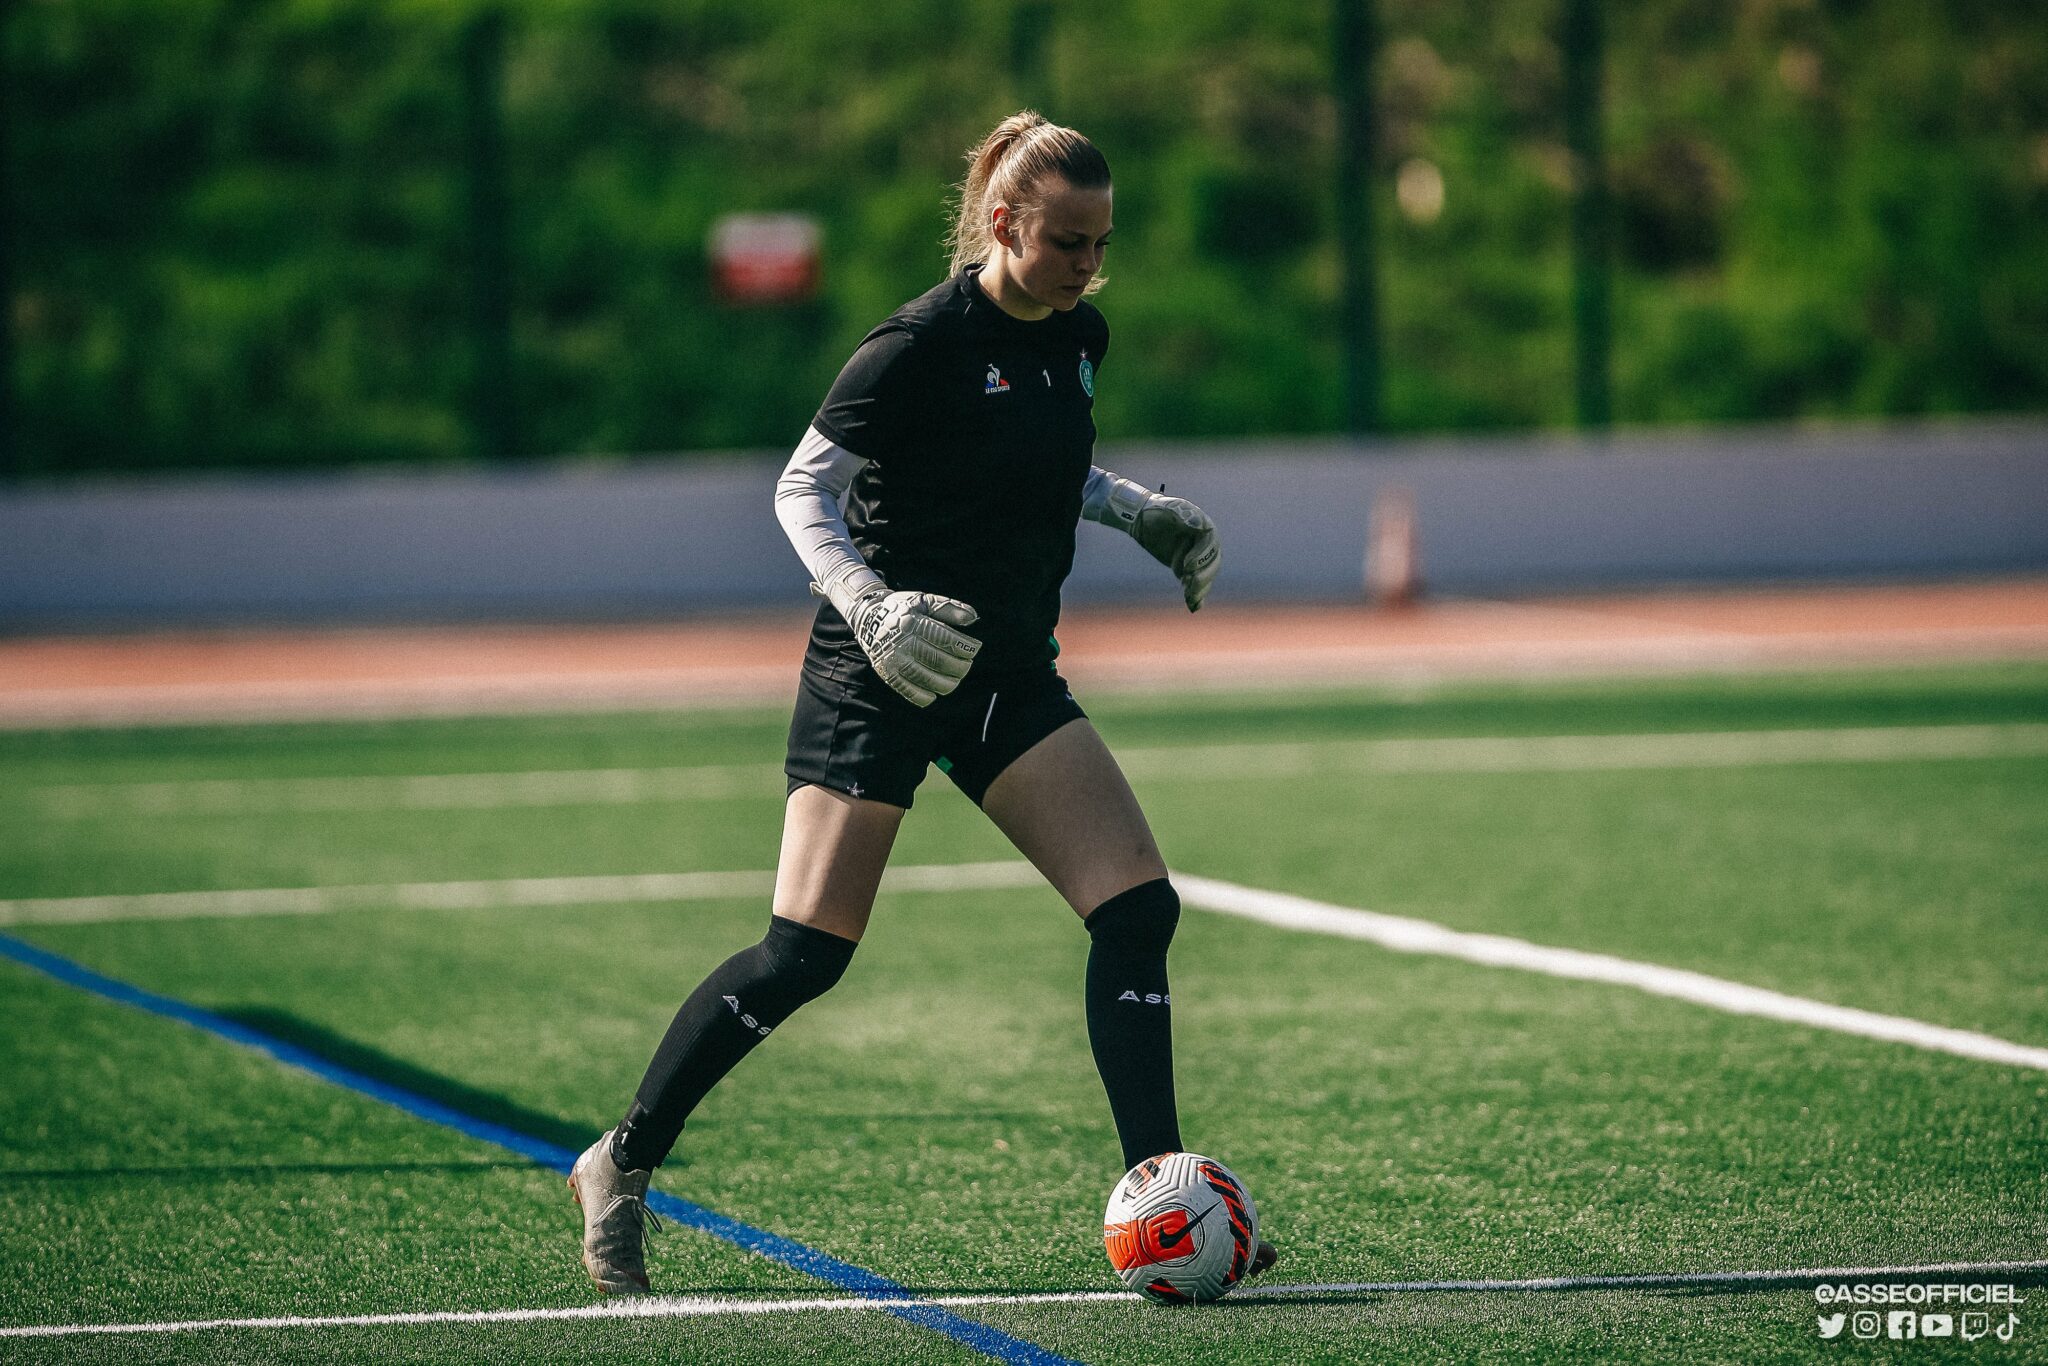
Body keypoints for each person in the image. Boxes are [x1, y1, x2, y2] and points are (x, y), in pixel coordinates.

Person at [569, 109, 1269, 1296]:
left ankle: (1164, 1198)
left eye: (1101, 245)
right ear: (1001, 225)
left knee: (1136, 909)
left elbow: (1033, 458)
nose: (1088, 268)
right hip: (879, 671)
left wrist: (1138, 508)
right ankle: (620, 1160)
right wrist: (870, 607)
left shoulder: (1075, 334)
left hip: (1000, 675)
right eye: (1066, 244)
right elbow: (803, 489)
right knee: (801, 956)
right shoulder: (913, 343)